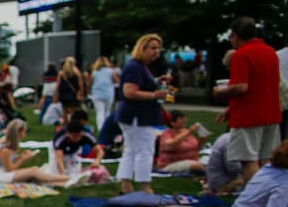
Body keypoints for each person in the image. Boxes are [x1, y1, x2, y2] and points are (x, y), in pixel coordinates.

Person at [213, 17, 283, 184]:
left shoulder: (241, 55)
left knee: (248, 160)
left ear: (236, 35)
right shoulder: (270, 51)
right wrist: (230, 109)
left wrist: (220, 93)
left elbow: (241, 87)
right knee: (266, 159)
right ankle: (268, 195)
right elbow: (266, 84)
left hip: (248, 117)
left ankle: (255, 199)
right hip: (272, 114)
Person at [117, 33, 168, 194]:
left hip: (135, 115)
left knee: (131, 149)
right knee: (145, 150)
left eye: (158, 48)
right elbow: (129, 91)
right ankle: (145, 185)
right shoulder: (135, 67)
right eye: (153, 48)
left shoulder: (138, 67)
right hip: (138, 116)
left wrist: (157, 82)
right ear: (142, 48)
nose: (156, 52)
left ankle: (126, 183)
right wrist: (155, 95)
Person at [0, 119, 67, 184]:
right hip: (0, 176)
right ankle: (64, 178)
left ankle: (59, 180)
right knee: (33, 171)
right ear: (19, 132)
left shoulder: (9, 142)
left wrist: (20, 156)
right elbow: (9, 169)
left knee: (35, 170)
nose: (25, 134)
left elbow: (8, 161)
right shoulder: (5, 148)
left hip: (3, 173)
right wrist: (23, 159)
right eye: (24, 132)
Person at [155, 111, 208, 175]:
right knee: (196, 166)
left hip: (192, 161)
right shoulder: (167, 134)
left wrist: (203, 138)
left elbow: (197, 147)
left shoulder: (185, 131)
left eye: (184, 118)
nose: (185, 120)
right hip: (170, 164)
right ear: (172, 122)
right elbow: (171, 144)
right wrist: (189, 132)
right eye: (181, 119)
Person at [88, 56, 118, 136]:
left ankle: (101, 129)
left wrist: (89, 91)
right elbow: (117, 80)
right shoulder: (110, 71)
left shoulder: (94, 72)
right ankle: (107, 128)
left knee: (99, 112)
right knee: (107, 111)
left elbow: (90, 83)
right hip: (108, 93)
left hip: (97, 93)